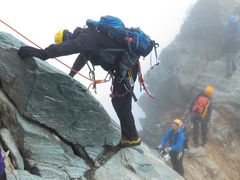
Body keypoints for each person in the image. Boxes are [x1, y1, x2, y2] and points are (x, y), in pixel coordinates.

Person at [17, 17, 141, 148]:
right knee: (118, 101)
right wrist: (71, 76)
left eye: (64, 42)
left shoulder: (86, 37)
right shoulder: (88, 37)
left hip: (127, 68)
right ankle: (128, 137)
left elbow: (70, 47)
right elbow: (81, 59)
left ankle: (132, 138)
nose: (66, 43)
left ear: (66, 38)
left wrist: (43, 53)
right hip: (124, 68)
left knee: (122, 102)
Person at [222, 13, 240, 79]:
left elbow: (227, 35)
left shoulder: (229, 26)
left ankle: (229, 74)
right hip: (235, 44)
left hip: (230, 44)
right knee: (232, 56)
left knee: (228, 59)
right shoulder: (237, 25)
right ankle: (234, 67)